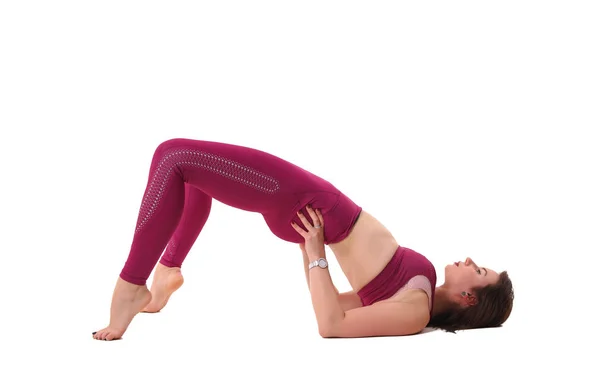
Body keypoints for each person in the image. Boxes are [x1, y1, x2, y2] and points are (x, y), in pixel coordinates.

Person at [92, 138, 514, 341]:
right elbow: (338, 302)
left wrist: (314, 253)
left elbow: (331, 323)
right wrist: (312, 250)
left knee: (174, 157)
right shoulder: (418, 294)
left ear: (469, 299)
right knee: (194, 178)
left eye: (478, 271)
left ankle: (132, 286)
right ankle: (167, 272)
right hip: (317, 208)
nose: (470, 260)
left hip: (308, 204)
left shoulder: (414, 314)